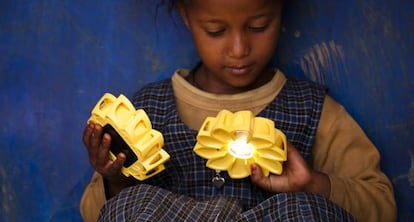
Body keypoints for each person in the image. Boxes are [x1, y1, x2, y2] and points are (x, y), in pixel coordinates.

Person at [80, 0, 396, 221]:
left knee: (307, 213)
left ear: (280, 9)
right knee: (133, 205)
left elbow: (381, 207)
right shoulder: (142, 114)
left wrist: (312, 186)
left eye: (259, 26)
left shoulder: (315, 110)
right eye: (216, 31)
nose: (239, 49)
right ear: (186, 16)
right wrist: (118, 180)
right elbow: (97, 214)